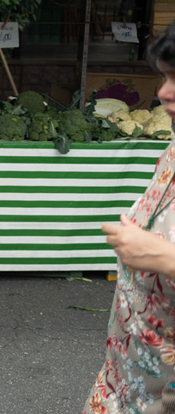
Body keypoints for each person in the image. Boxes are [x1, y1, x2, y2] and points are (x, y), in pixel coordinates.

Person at [82, 24, 175, 412]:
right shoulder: (172, 150)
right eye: (165, 77)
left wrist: (165, 258)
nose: (164, 92)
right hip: (124, 378)